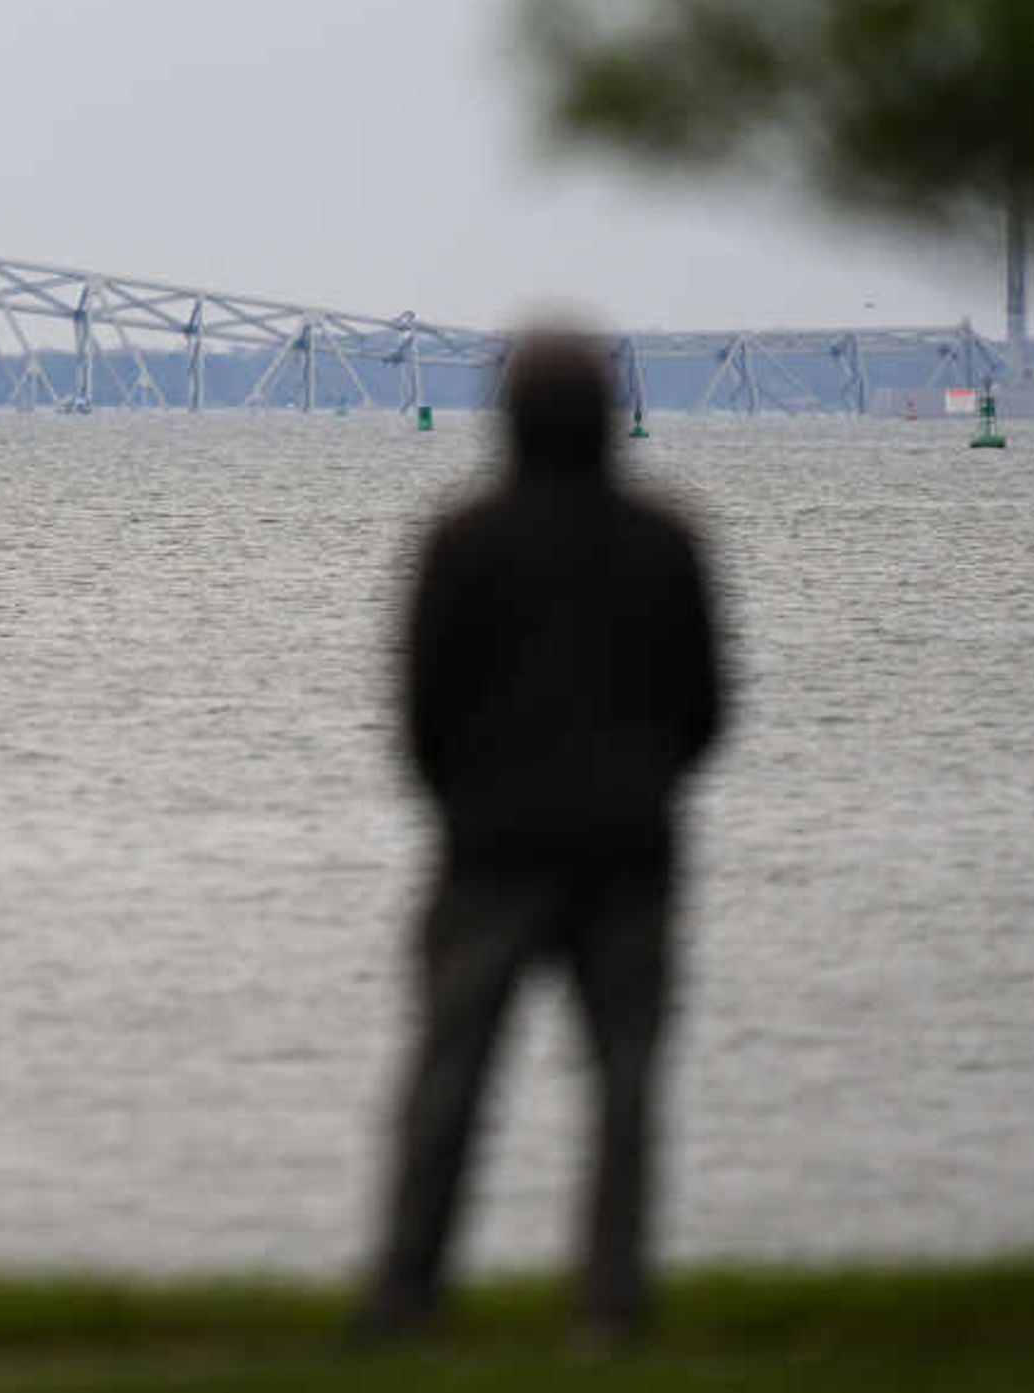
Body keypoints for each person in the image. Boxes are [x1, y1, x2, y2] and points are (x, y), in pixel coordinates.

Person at [356, 330, 731, 1351]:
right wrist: (645, 783)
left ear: (507, 419)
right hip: (628, 849)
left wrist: (464, 802)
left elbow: (420, 707)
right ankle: (610, 1306)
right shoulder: (668, 539)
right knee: (624, 1085)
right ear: (609, 418)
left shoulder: (460, 539)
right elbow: (707, 707)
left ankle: (406, 1297)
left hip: (490, 847)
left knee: (448, 1079)